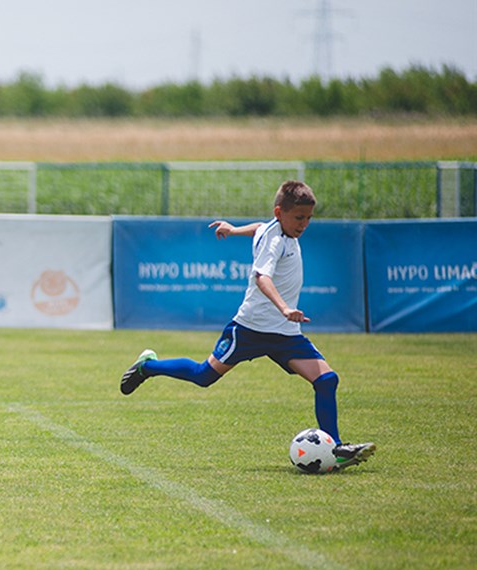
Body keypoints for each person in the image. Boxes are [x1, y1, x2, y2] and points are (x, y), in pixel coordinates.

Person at [119, 180, 376, 469]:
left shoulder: (276, 229)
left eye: (308, 218)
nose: (304, 224)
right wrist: (285, 308)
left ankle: (336, 448)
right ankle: (147, 367)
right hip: (250, 329)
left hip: (285, 334)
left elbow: (258, 226)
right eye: (299, 218)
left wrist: (232, 229)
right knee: (204, 376)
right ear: (280, 213)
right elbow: (261, 277)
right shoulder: (277, 240)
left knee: (327, 380)